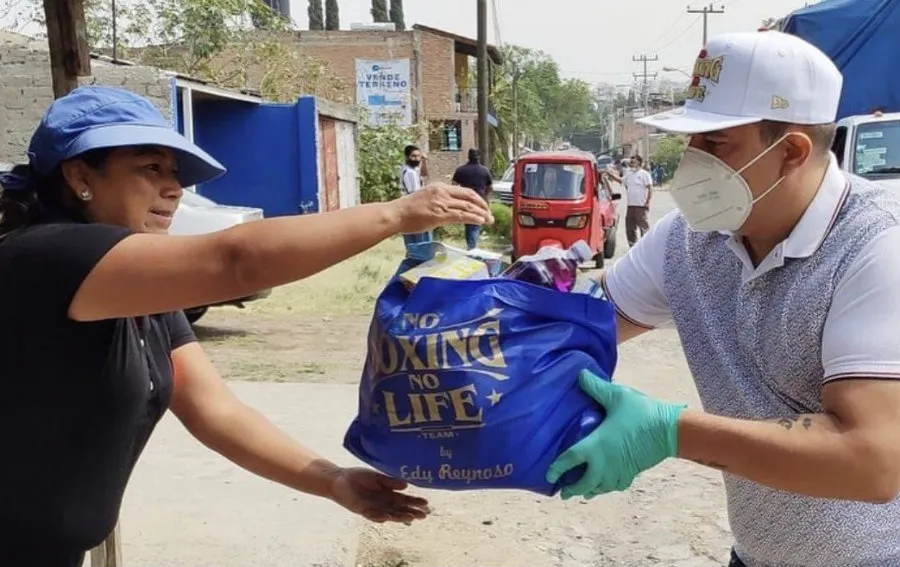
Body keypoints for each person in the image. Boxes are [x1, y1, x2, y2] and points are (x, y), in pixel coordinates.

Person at [0, 85, 492, 567]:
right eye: (150, 168)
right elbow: (237, 261)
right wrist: (394, 214)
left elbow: (216, 411)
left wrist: (330, 480)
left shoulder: (139, 294)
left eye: (174, 173)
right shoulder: (44, 257)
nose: (173, 188)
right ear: (79, 175)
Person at [546, 31, 900, 567]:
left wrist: (669, 431)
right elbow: (581, 324)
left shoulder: (875, 246)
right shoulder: (691, 237)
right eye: (691, 142)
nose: (692, 163)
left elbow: (870, 459)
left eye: (715, 144)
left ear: (791, 152)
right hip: (756, 553)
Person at [451, 148, 493, 249]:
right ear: (479, 156)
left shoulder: (461, 170)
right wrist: (484, 196)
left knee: (469, 224)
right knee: (474, 225)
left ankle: (471, 247)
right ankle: (472, 249)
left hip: (465, 201)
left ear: (468, 156)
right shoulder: (485, 170)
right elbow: (490, 187)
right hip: (479, 200)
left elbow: (453, 185)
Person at [606, 155, 653, 246]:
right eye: (631, 162)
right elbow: (621, 181)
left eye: (634, 162)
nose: (631, 164)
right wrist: (609, 173)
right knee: (630, 228)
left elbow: (650, 188)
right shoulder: (629, 174)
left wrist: (647, 202)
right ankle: (633, 247)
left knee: (643, 227)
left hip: (641, 206)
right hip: (631, 206)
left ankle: (646, 247)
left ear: (639, 163)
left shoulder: (644, 174)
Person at [399, 144, 432, 251]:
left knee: (412, 245)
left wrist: (424, 161)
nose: (416, 159)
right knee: (421, 244)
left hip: (407, 208)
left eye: (418, 156)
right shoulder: (410, 173)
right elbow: (415, 194)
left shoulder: (408, 169)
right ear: (407, 157)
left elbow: (423, 174)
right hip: (415, 208)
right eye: (413, 156)